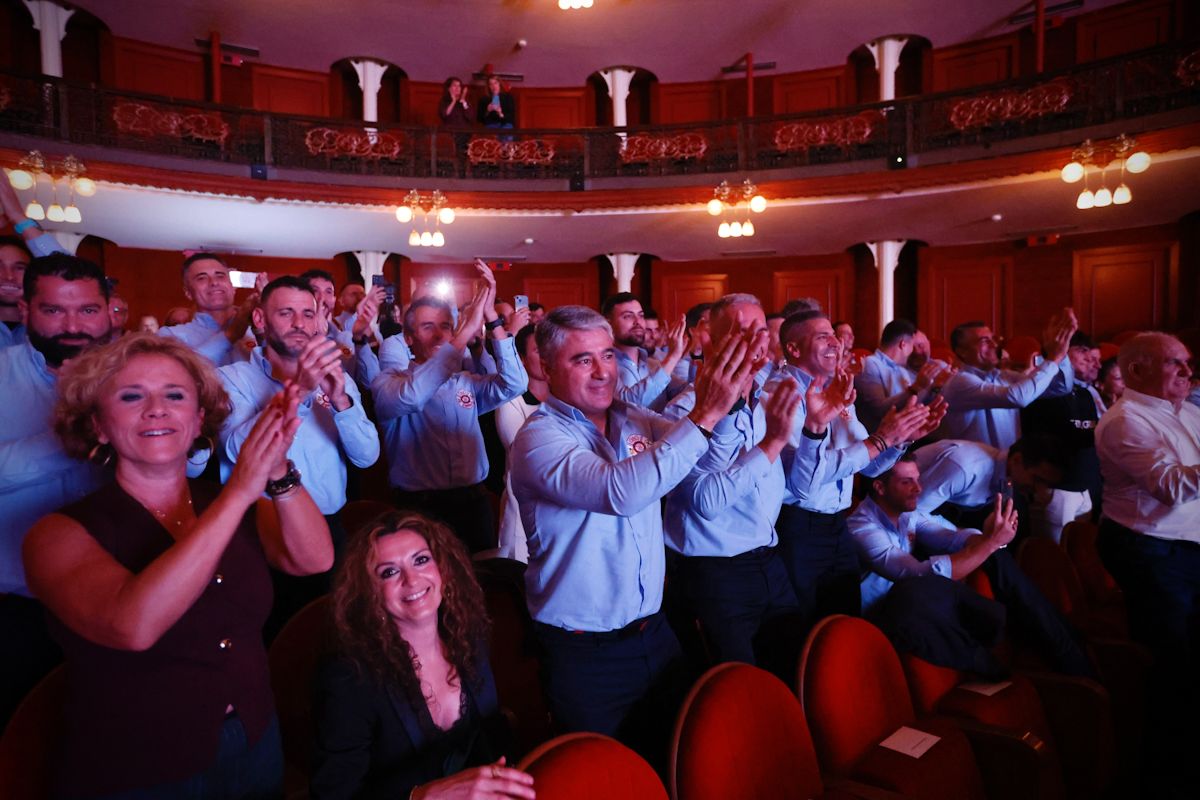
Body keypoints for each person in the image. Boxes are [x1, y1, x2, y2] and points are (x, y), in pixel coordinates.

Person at [22, 333, 334, 798]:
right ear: (99, 425)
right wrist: (240, 492)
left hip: (253, 739)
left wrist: (275, 469)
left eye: (175, 396)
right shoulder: (56, 533)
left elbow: (314, 559)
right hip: (138, 766)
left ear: (198, 420)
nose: (157, 410)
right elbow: (134, 626)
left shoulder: (221, 501)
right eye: (132, 397)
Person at [509, 305, 754, 758]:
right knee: (606, 774)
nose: (603, 371)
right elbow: (619, 492)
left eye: (607, 355)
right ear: (546, 366)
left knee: (677, 761)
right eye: (583, 359)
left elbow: (708, 459)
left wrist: (732, 401)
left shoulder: (632, 416)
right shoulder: (538, 438)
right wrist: (704, 414)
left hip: (654, 634)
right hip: (584, 653)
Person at [311, 511, 535, 800]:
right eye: (389, 572)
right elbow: (333, 794)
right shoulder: (348, 676)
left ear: (443, 568)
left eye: (421, 560)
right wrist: (422, 796)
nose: (412, 579)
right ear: (369, 592)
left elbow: (492, 737)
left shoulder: (466, 634)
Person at [771, 309, 941, 631]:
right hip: (797, 525)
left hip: (837, 524)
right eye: (823, 336)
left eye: (834, 336)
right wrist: (879, 441)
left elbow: (871, 465)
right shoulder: (779, 395)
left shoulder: (838, 389)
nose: (835, 343)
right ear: (793, 348)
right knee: (802, 627)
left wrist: (899, 440)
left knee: (846, 621)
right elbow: (805, 479)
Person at [847, 457, 1092, 678]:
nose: (919, 488)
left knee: (993, 557)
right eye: (906, 482)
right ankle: (1008, 658)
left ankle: (1060, 645)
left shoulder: (907, 515)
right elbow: (916, 574)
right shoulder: (861, 527)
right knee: (916, 592)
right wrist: (989, 543)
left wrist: (990, 537)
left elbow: (951, 536)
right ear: (880, 488)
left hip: (914, 604)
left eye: (918, 479)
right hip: (882, 616)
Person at [662, 294, 804, 674]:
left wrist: (818, 431)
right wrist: (746, 422)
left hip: (770, 559)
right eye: (742, 331)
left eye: (761, 330)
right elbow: (707, 501)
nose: (756, 340)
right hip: (715, 572)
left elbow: (799, 488)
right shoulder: (685, 411)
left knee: (792, 672)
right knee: (737, 685)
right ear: (712, 339)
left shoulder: (768, 402)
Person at [0, 252, 112, 727]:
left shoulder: (134, 373)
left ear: (108, 311)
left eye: (87, 310)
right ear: (26, 310)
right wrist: (72, 439)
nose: (73, 326)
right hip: (18, 602)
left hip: (116, 593)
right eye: (53, 310)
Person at [1094, 332, 1199, 798]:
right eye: (1175, 363)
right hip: (1149, 548)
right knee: (1172, 664)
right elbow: (1171, 488)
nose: (1187, 372)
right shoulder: (1124, 421)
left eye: (1187, 363)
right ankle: (1162, 773)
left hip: (1185, 545)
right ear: (1136, 370)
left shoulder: (1187, 412)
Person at [371, 261, 526, 553]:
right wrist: (464, 332)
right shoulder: (389, 383)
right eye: (427, 327)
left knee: (481, 576)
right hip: (420, 508)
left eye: (445, 327)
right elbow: (414, 396)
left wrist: (492, 319)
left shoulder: (464, 381)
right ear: (409, 338)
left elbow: (515, 384)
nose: (440, 335)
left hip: (473, 503)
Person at [218, 275, 379, 539]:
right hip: (260, 526)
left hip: (329, 522)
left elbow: (366, 456)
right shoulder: (231, 378)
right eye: (286, 313)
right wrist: (299, 392)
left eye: (307, 314)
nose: (299, 324)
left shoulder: (336, 376)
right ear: (260, 319)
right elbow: (236, 451)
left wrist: (341, 402)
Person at [937, 310, 1077, 450]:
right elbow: (1017, 397)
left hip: (1009, 461)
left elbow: (1060, 387)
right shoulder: (959, 382)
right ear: (962, 351)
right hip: (974, 463)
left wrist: (1061, 354)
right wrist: (1053, 358)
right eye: (985, 341)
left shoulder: (1004, 376)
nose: (994, 345)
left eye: (994, 339)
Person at [1021, 331, 1104, 541]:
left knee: (1081, 551)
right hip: (1055, 489)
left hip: (1084, 487)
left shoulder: (1085, 394)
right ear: (1060, 353)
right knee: (1051, 554)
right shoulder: (1041, 391)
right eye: (1081, 351)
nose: (1088, 357)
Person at [911, 436, 1069, 542]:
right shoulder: (965, 469)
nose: (1039, 491)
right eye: (1037, 480)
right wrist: (968, 538)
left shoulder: (1007, 479)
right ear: (1017, 459)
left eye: (1047, 485)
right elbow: (910, 514)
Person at [494, 325, 547, 563]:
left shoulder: (568, 396)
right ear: (523, 359)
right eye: (538, 350)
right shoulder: (511, 400)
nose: (547, 355)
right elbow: (528, 453)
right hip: (523, 512)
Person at [160, 252, 258, 366]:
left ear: (232, 286)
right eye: (201, 278)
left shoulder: (258, 326)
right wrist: (230, 335)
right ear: (188, 293)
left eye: (220, 276)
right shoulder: (170, 336)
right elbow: (176, 372)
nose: (214, 282)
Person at [855, 318, 951, 431]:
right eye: (912, 346)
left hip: (906, 433)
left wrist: (934, 387)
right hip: (880, 435)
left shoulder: (901, 369)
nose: (914, 352)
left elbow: (911, 405)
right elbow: (879, 410)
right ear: (903, 345)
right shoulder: (871, 364)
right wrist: (916, 387)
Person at [602, 292, 687, 408]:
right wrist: (673, 357)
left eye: (641, 315)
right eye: (628, 316)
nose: (638, 321)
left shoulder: (653, 364)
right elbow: (629, 405)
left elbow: (688, 392)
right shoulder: (604, 366)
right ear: (608, 323)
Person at [0, 235, 31, 348]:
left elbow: (65, 272)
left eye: (19, 268)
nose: (9, 276)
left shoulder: (51, 328)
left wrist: (24, 225)